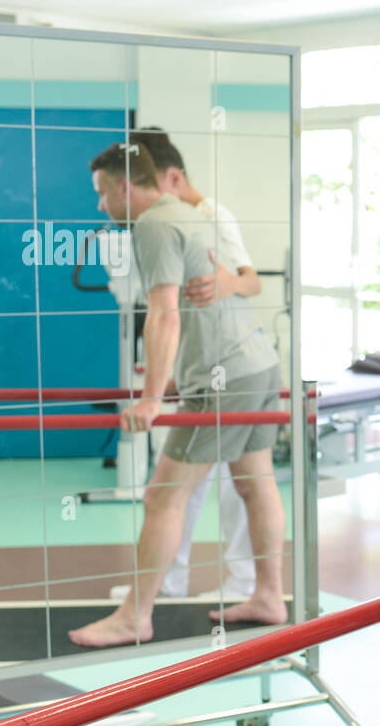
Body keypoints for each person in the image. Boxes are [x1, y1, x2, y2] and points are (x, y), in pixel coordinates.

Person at [70, 142, 287, 647]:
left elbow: (165, 312)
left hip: (224, 377)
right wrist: (172, 379)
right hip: (256, 366)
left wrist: (149, 399)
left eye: (103, 193)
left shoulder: (151, 226)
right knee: (257, 484)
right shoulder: (190, 215)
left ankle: (135, 616)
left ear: (126, 186)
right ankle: (270, 595)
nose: (101, 205)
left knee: (163, 495)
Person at [129, 127, 261, 601]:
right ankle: (170, 579)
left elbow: (251, 282)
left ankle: (245, 582)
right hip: (195, 370)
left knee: (233, 483)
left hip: (226, 367)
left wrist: (229, 284)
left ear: (173, 177)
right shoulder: (163, 219)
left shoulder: (209, 215)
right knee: (188, 484)